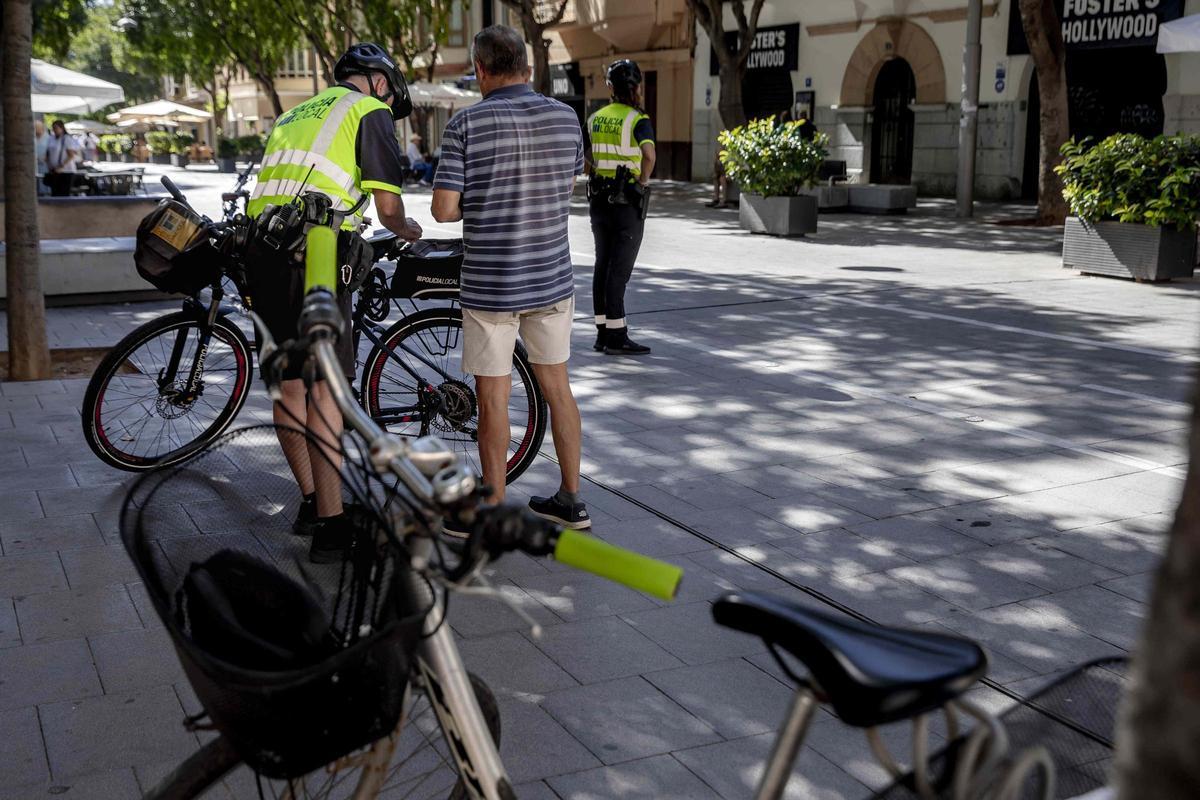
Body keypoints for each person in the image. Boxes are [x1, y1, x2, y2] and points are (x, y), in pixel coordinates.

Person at [246, 42, 424, 563]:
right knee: (325, 390)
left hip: (261, 251)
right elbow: (388, 205)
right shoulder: (370, 112)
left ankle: (310, 499)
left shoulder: (292, 113)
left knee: (288, 383)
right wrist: (405, 228)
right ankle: (333, 527)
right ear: (378, 81)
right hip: (315, 255)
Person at [431, 24, 591, 530]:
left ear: (480, 69)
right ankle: (570, 499)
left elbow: (442, 210)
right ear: (524, 63)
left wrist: (483, 200)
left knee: (493, 397)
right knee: (558, 389)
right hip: (550, 279)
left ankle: (494, 504)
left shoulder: (466, 125)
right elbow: (565, 186)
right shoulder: (567, 118)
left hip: (492, 284)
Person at [585, 59, 656, 356]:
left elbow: (587, 156)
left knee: (602, 265)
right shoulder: (638, 119)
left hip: (599, 200)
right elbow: (649, 155)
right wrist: (642, 181)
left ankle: (603, 332)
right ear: (637, 87)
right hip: (626, 202)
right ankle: (617, 336)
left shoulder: (596, 117)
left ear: (610, 87)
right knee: (619, 271)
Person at [43, 120, 80, 196]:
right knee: (55, 193)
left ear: (62, 128)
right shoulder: (51, 138)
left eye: (56, 128)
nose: (54, 130)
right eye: (53, 128)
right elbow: (48, 153)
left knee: (63, 193)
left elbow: (71, 155)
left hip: (66, 171)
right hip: (54, 171)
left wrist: (61, 166)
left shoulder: (66, 138)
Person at [34, 121, 50, 196]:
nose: (35, 129)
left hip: (46, 165)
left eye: (37, 128)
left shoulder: (49, 138)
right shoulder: (33, 138)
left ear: (42, 128)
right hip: (35, 165)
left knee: (45, 183)